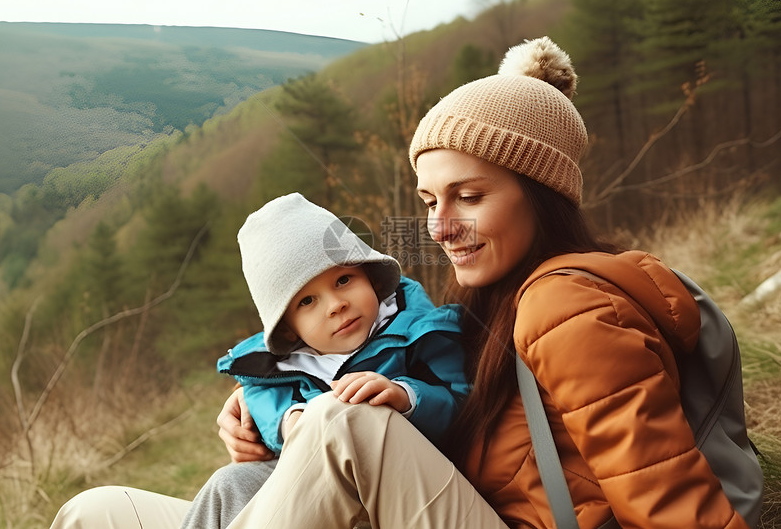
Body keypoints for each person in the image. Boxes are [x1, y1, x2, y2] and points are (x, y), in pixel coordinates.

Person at [218, 36, 752, 528]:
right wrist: (272, 420)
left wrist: (327, 426)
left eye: (469, 197)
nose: (439, 227)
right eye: (430, 202)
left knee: (346, 424)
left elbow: (669, 502)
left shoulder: (567, 309)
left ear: (541, 193)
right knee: (189, 495)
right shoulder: (495, 304)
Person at [48, 193, 469, 529]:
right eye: (307, 301)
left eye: (344, 280)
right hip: (310, 495)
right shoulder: (278, 369)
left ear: (371, 277)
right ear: (288, 330)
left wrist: (407, 396)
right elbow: (268, 413)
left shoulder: (421, 332)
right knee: (222, 484)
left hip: (396, 494)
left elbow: (463, 404)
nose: (337, 305)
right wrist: (291, 424)